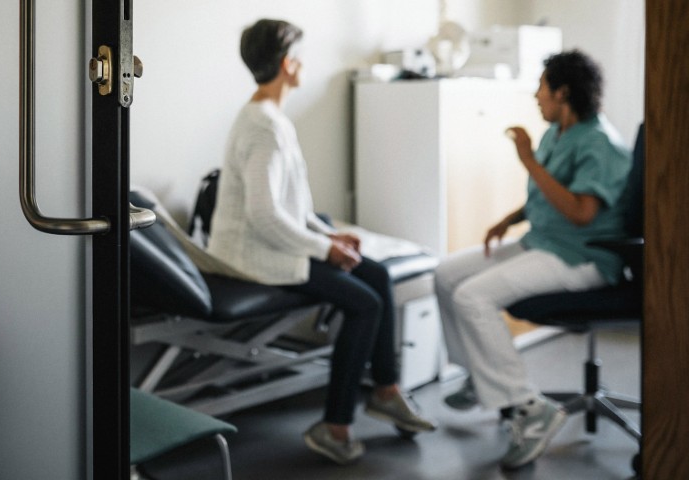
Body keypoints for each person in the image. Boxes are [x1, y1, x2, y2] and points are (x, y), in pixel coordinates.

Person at [206, 19, 435, 465]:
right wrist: (323, 249)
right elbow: (264, 215)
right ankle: (335, 427)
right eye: (300, 56)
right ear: (288, 64)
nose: (303, 63)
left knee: (377, 273)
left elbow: (291, 206)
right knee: (364, 303)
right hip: (255, 257)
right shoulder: (263, 126)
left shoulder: (270, 118)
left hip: (278, 243)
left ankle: (385, 389)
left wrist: (329, 235)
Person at [434, 49, 632, 469]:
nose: (535, 96)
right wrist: (510, 218)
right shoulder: (556, 133)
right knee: (447, 274)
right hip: (543, 241)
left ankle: (529, 407)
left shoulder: (600, 144)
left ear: (562, 93)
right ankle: (479, 375)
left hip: (583, 257)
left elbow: (581, 211)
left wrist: (525, 160)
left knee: (472, 297)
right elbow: (549, 193)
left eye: (541, 88)